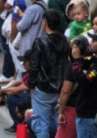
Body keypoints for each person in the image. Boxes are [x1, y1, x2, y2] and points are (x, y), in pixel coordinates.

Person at [27, 10, 70, 138]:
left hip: (43, 88)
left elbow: (34, 66)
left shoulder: (40, 42)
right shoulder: (65, 41)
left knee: (41, 125)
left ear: (45, 22)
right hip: (61, 87)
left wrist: (31, 84)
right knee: (60, 123)